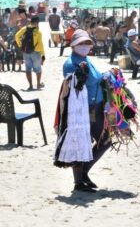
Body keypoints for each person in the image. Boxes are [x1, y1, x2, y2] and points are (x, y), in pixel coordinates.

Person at [59, 30, 110, 192]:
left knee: (106, 140)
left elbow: (95, 78)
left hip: (97, 107)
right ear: (73, 45)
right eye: (81, 43)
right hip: (82, 110)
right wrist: (79, 76)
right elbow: (72, 85)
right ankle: (78, 182)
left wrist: (107, 76)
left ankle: (84, 171)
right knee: (81, 142)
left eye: (87, 43)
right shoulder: (70, 63)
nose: (84, 46)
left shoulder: (86, 59)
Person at [15, 16, 45, 90]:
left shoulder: (25, 28)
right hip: (36, 52)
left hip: (26, 52)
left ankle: (30, 86)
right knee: (38, 69)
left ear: (30, 22)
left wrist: (20, 45)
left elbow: (16, 36)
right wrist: (43, 55)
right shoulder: (38, 31)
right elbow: (40, 44)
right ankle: (38, 84)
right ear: (37, 23)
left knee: (28, 69)